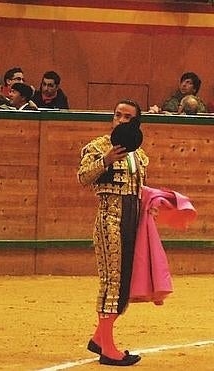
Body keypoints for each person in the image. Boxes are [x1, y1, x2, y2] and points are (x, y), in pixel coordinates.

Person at [77, 99, 147, 366]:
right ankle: (108, 350)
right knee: (112, 284)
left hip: (132, 221)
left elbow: (139, 190)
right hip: (110, 220)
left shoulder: (139, 154)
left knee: (125, 284)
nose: (120, 119)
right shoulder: (98, 147)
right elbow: (82, 177)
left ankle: (99, 337)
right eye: (117, 115)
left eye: (127, 116)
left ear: (136, 122)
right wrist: (105, 160)